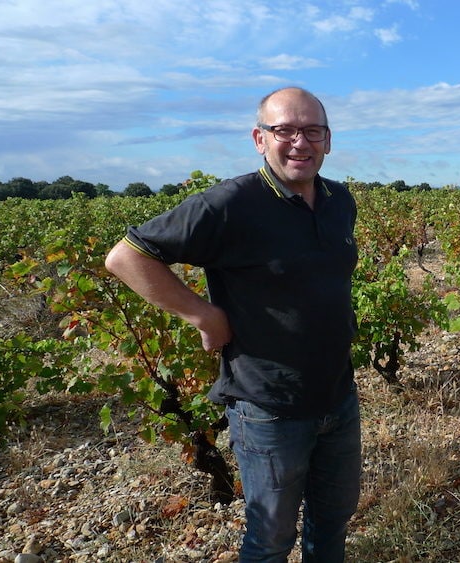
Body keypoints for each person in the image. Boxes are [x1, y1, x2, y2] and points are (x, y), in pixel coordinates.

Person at [105, 86, 361, 562]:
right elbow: (126, 257)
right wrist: (202, 314)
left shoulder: (338, 199)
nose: (299, 142)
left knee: (332, 523)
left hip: (339, 397)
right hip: (268, 407)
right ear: (259, 139)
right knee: (271, 540)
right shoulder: (230, 204)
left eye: (312, 130)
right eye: (284, 130)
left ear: (329, 140)